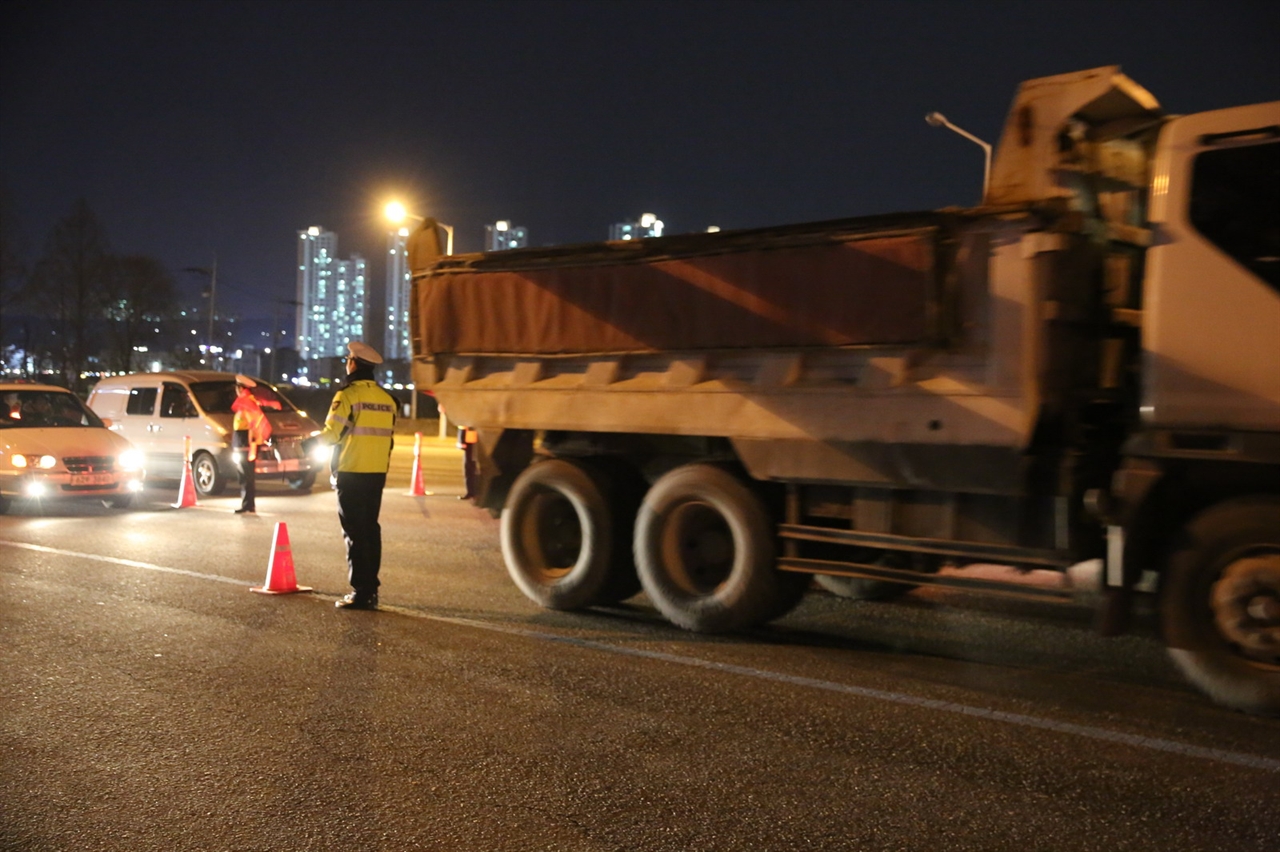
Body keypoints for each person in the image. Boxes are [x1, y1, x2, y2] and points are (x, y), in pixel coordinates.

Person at [311, 342, 397, 610]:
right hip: (377, 473)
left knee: (354, 533)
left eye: (348, 359)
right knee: (370, 530)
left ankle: (361, 592)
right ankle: (371, 588)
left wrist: (306, 443)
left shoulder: (347, 395)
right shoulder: (387, 399)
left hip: (351, 471)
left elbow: (332, 433)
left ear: (354, 364)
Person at [230, 375, 272, 514]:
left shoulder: (247, 403)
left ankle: (247, 504)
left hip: (245, 444)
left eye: (237, 388)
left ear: (240, 388)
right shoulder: (246, 402)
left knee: (245, 475)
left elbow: (254, 426)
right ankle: (248, 503)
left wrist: (253, 447)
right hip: (242, 443)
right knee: (245, 475)